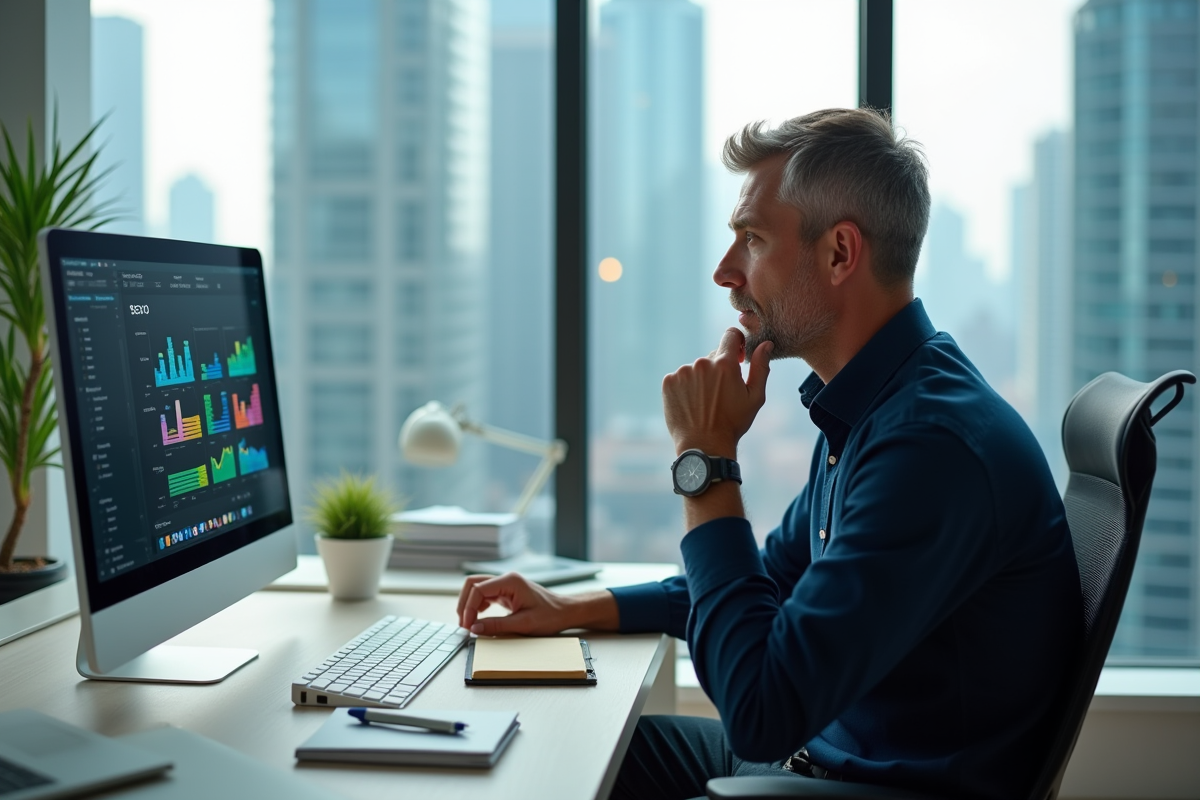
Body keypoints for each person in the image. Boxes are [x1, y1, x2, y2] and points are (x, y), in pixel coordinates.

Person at [456, 108, 1082, 800]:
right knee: (569, 748)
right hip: (822, 761)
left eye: (751, 240)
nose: (726, 273)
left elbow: (761, 714)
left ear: (840, 253)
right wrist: (573, 607)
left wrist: (706, 463)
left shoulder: (929, 449)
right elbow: (768, 579)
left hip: (860, 786)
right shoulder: (874, 406)